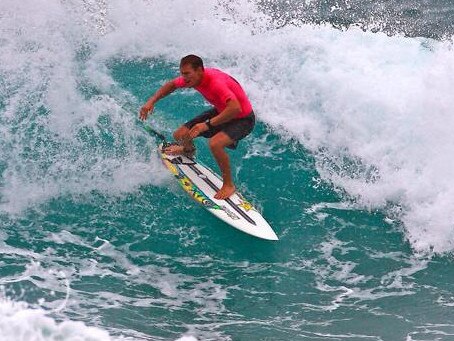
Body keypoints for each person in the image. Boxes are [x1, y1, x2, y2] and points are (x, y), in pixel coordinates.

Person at [140, 54, 255, 200]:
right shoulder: (192, 79)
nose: (184, 78)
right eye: (182, 73)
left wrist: (207, 125)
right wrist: (151, 101)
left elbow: (235, 109)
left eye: (187, 73)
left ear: (200, 70)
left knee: (215, 144)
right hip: (222, 111)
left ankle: (228, 185)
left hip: (242, 119)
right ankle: (188, 151)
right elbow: (172, 85)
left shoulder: (216, 82)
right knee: (180, 134)